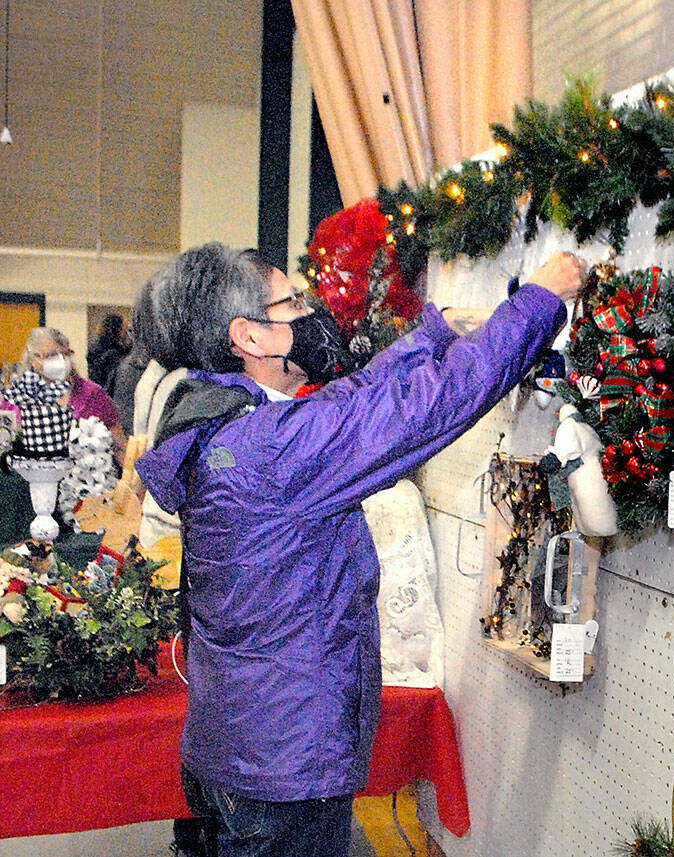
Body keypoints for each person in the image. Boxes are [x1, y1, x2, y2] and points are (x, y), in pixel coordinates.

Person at [134, 242, 583, 857]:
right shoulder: (272, 450)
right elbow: (430, 405)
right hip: (284, 769)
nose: (309, 312)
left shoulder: (233, 428)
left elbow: (354, 400)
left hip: (242, 747)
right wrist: (538, 301)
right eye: (291, 302)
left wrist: (435, 333)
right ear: (250, 336)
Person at [1, 327, 125, 465]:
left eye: (62, 354)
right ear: (33, 360)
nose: (58, 361)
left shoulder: (94, 395)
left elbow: (120, 447)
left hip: (83, 479)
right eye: (49, 355)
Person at [87, 313, 131, 394]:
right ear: (118, 329)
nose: (127, 332)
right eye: (125, 328)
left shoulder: (95, 348)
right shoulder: (113, 355)